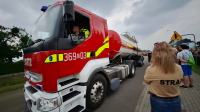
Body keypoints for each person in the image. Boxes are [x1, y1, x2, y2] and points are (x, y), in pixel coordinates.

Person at [144, 42, 183, 112]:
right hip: (176, 100)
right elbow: (180, 81)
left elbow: (146, 81)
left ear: (155, 54)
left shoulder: (151, 69)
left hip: (158, 101)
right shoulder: (179, 68)